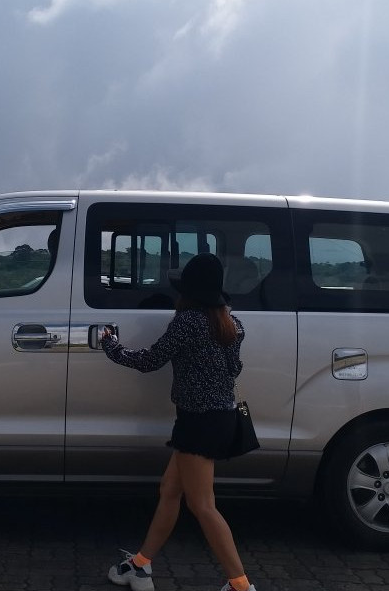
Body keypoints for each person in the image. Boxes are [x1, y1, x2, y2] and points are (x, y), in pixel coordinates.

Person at [100, 252, 258, 591]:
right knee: (170, 491)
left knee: (202, 505)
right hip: (221, 418)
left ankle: (241, 585)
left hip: (197, 424)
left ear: (187, 292)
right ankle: (141, 566)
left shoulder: (188, 323)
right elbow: (235, 370)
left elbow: (151, 360)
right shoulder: (233, 324)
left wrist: (112, 347)